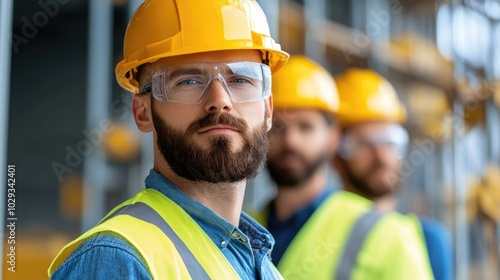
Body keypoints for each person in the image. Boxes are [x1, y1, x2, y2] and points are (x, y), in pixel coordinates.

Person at [48, 0, 289, 279]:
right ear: (143, 113)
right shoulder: (117, 259)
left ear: (268, 109)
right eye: (188, 81)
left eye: (241, 79)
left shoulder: (258, 262)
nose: (220, 101)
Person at [259, 64, 436, 279]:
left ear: (333, 138)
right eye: (277, 127)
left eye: (305, 127)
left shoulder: (389, 234)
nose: (291, 140)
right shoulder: (239, 226)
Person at [333, 68, 454, 280]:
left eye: (390, 140)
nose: (380, 155)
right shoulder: (320, 236)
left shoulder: (430, 241)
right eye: (363, 143)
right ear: (335, 155)